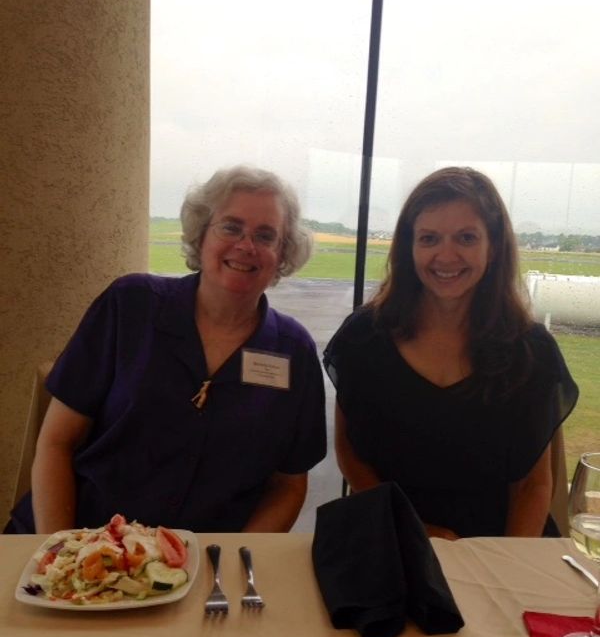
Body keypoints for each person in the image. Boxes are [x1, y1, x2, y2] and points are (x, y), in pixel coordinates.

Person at [9, 165, 326, 534]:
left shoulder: (294, 352)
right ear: (201, 235)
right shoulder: (130, 306)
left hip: (200, 568)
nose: (246, 245)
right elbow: (55, 443)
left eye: (265, 235)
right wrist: (61, 554)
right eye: (231, 227)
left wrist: (233, 567)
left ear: (282, 254)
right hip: (80, 541)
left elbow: (288, 486)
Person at [323, 166, 578, 539]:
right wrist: (414, 532)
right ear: (409, 248)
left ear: (493, 249)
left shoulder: (531, 353)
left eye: (466, 237)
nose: (446, 255)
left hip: (498, 547)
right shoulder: (364, 337)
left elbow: (533, 487)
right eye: (429, 238)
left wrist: (498, 569)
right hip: (392, 540)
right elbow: (350, 452)